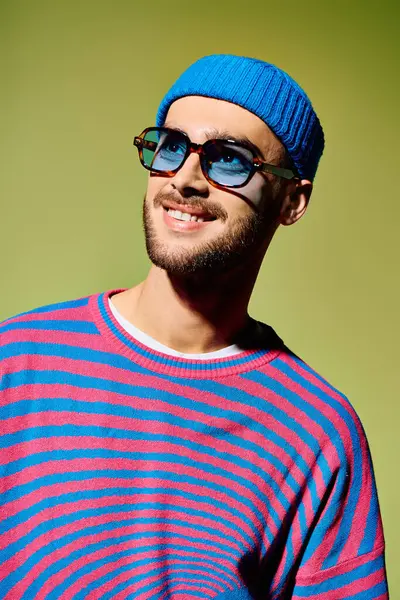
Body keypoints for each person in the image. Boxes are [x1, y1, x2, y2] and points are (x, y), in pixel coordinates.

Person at [0, 54, 388, 599]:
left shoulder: (318, 432)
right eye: (171, 147)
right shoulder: (18, 362)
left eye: (229, 160)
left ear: (292, 202)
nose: (184, 180)